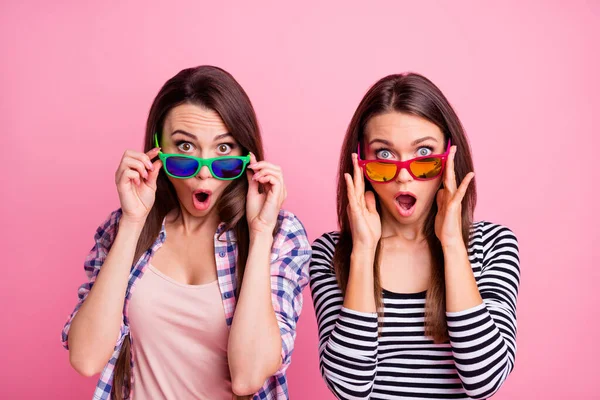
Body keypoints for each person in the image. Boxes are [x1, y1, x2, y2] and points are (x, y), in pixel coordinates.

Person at [62, 65, 311, 400]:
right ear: (157, 152)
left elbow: (249, 376)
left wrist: (261, 232)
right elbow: (86, 358)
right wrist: (133, 223)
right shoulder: (123, 228)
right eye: (185, 147)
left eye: (223, 150)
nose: (203, 172)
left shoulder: (281, 235)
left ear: (245, 154)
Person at [309, 72, 520, 399]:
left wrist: (452, 245)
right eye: (384, 156)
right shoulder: (330, 253)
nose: (403, 178)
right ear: (360, 163)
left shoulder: (492, 245)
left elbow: (485, 379)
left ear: (450, 156)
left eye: (424, 156)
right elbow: (349, 387)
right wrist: (364, 251)